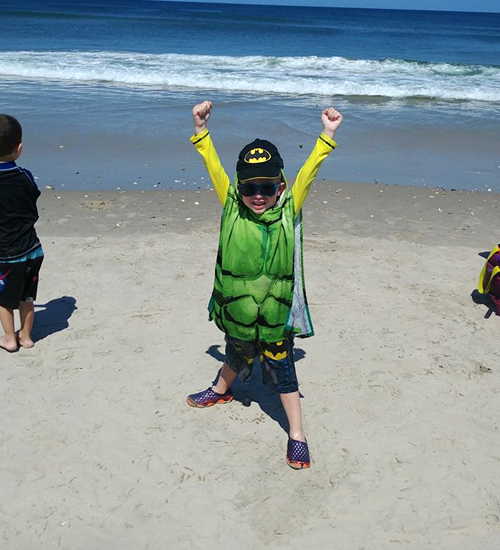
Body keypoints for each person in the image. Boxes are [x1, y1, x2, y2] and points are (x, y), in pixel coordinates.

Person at [186, 101, 343, 469]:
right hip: (239, 312)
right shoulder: (231, 206)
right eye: (249, 187)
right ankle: (221, 390)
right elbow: (213, 167)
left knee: (284, 371)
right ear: (239, 187)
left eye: (267, 187)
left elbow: (309, 172)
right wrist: (201, 131)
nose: (258, 194)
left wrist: (327, 135)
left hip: (274, 316)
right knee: (237, 352)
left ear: (281, 186)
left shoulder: (288, 209)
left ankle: (297, 434)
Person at [0, 114, 44, 352]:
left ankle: (9, 339)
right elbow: (33, 195)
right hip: (32, 248)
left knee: (3, 298)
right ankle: (26, 337)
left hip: (5, 252)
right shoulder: (24, 175)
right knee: (27, 296)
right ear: (19, 148)